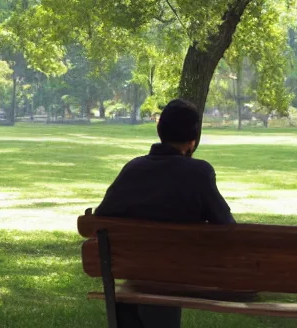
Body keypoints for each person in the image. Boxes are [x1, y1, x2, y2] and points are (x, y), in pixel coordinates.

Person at [94, 98, 237, 328]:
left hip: (136, 268)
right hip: (183, 273)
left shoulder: (133, 169)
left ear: (159, 130)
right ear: (192, 141)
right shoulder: (199, 172)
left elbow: (100, 220)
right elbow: (229, 229)